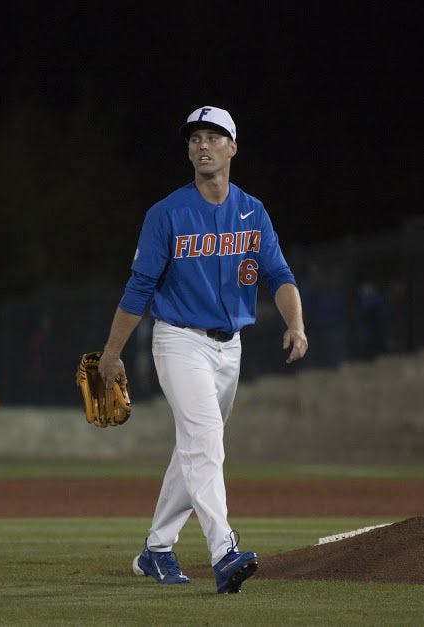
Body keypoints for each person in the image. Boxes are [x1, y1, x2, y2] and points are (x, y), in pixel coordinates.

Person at [98, 106, 308, 593]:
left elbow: (279, 276)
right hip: (178, 341)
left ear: (233, 148)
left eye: (214, 136)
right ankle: (224, 551)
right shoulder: (167, 213)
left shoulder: (253, 211)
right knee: (206, 443)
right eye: (195, 138)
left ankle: (157, 549)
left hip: (229, 348)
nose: (202, 145)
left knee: (193, 449)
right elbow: (140, 287)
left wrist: (295, 323)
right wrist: (112, 353)